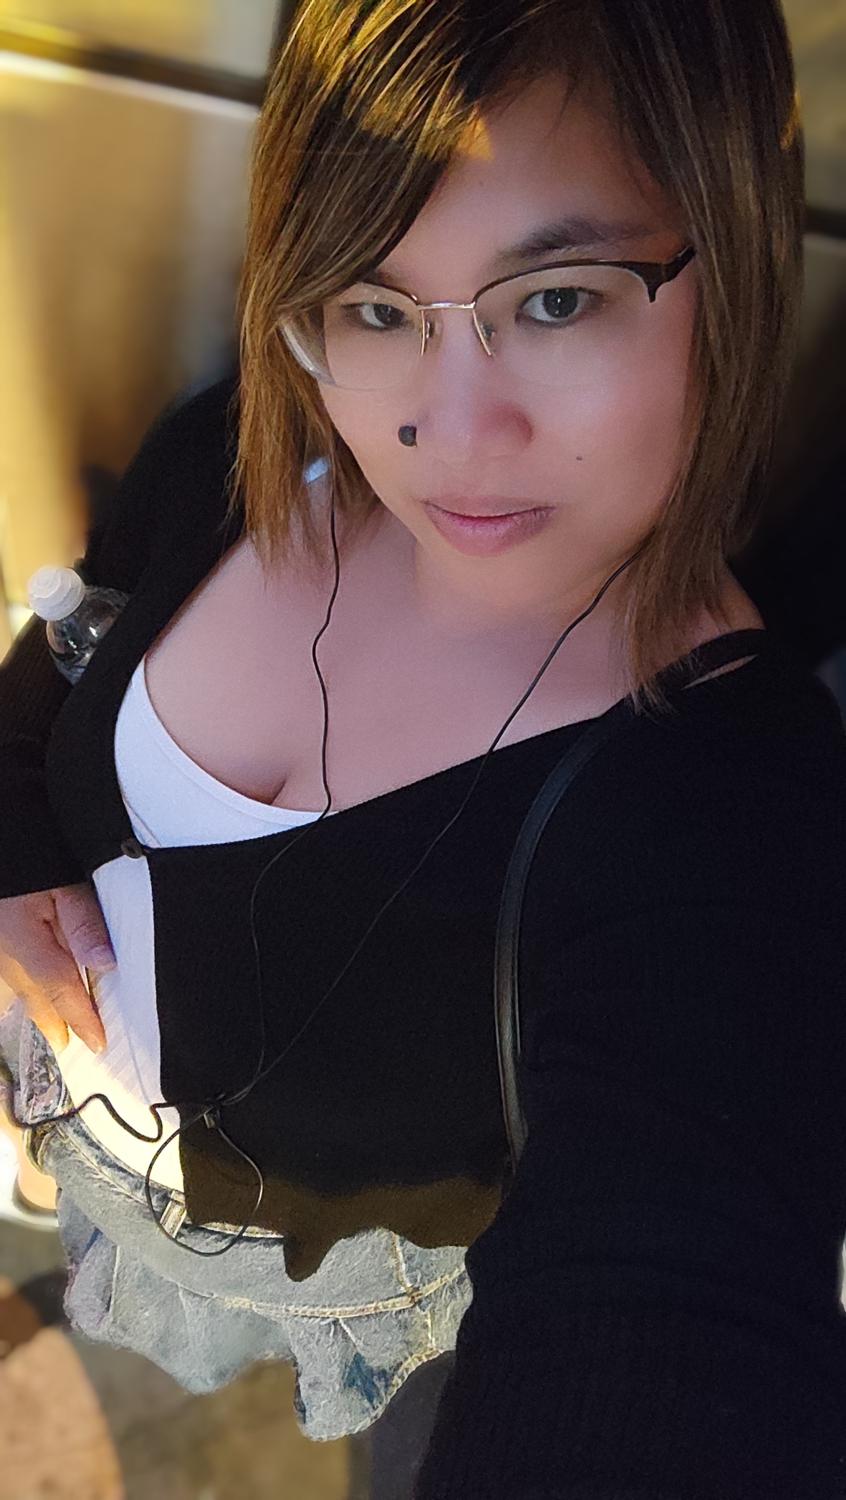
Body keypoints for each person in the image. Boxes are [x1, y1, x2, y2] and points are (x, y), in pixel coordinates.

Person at [1, 2, 845, 1496]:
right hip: (95, 1140)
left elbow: (672, 1293)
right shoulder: (245, 455)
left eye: (558, 299)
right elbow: (63, 652)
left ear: (733, 253)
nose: (448, 434)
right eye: (376, 307)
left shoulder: (720, 801)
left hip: (332, 1283)